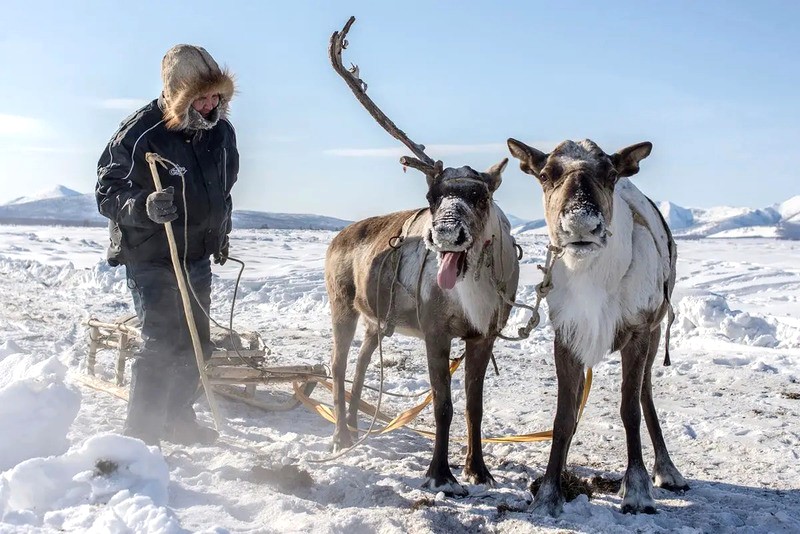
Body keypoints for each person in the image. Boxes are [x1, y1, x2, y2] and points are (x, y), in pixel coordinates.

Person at [95, 44, 238, 446]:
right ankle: (139, 438)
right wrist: (142, 206)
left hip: (195, 254)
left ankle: (177, 419)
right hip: (151, 254)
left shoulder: (221, 133)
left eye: (217, 97)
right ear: (179, 92)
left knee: (197, 345)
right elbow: (107, 192)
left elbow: (223, 190)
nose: (211, 106)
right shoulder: (141, 132)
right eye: (202, 96)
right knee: (162, 343)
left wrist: (220, 233)